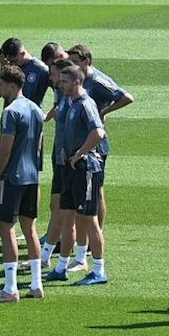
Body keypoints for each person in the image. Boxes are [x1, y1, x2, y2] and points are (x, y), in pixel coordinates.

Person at [44, 63, 109, 287]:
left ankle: (99, 271)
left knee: (89, 220)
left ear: (77, 82)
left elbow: (99, 132)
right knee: (66, 216)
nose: (59, 85)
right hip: (70, 168)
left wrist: (80, 154)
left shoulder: (85, 104)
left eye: (63, 82)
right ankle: (61, 267)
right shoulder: (69, 102)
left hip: (85, 168)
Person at [0, 65, 45, 303]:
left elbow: (5, 151)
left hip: (13, 177)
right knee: (30, 229)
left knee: (6, 228)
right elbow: (38, 147)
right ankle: (36, 284)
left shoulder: (11, 112)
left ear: (10, 85)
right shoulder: (36, 110)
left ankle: (10, 289)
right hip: (32, 177)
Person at [0, 37, 51, 107]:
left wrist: (45, 116)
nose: (12, 65)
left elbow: (61, 95)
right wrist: (3, 67)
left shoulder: (41, 69)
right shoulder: (8, 67)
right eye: (9, 61)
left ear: (22, 53)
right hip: (10, 115)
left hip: (30, 116)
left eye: (14, 61)